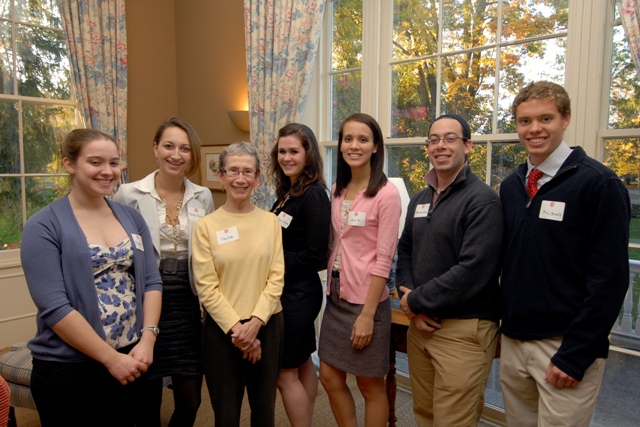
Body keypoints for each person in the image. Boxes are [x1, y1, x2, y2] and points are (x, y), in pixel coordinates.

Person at [499, 81, 631, 426]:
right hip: (515, 343)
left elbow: (610, 280)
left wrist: (576, 354)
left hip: (564, 346)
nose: (534, 129)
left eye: (546, 118)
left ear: (566, 118)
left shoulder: (598, 184)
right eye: (525, 121)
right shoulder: (513, 187)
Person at [21, 129, 163, 427]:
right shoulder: (43, 226)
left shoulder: (130, 217)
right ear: (69, 164)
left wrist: (148, 338)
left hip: (135, 357)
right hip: (71, 369)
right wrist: (111, 359)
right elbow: (55, 307)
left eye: (114, 163)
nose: (107, 171)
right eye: (95, 162)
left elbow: (151, 281)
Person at [396, 114, 503, 427]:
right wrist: (409, 297)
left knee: (453, 421)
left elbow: (473, 270)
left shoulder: (482, 200)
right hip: (420, 327)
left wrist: (414, 302)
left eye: (450, 138)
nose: (440, 145)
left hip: (462, 331)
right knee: (425, 415)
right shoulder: (419, 199)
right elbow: (404, 251)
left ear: (468, 146)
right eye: (434, 139)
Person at [113, 118, 214, 426]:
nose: (176, 154)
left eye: (184, 148)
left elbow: (208, 251)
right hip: (146, 297)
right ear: (155, 148)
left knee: (191, 400)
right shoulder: (128, 194)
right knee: (145, 401)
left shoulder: (203, 196)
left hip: (188, 301)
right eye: (168, 146)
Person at [192, 142, 285, 427]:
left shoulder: (270, 222)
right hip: (222, 332)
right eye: (233, 170)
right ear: (221, 176)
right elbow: (206, 287)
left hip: (267, 326)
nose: (240, 178)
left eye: (248, 171)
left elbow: (276, 277)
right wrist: (240, 331)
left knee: (264, 412)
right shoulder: (205, 226)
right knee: (226, 415)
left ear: (258, 178)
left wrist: (255, 324)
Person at [318, 113, 401, 427]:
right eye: (348, 139)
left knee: (369, 383)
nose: (354, 145)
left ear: (375, 146)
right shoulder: (339, 188)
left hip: (367, 302)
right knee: (328, 375)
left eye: (363, 139)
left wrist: (367, 315)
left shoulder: (386, 194)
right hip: (337, 296)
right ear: (340, 145)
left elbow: (384, 258)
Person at [268, 123, 330, 426]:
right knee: (304, 362)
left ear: (308, 154)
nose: (287, 157)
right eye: (282, 151)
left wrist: (272, 264)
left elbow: (317, 255)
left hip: (298, 295)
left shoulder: (314, 194)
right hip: (287, 290)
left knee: (284, 375)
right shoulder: (289, 191)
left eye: (294, 151)